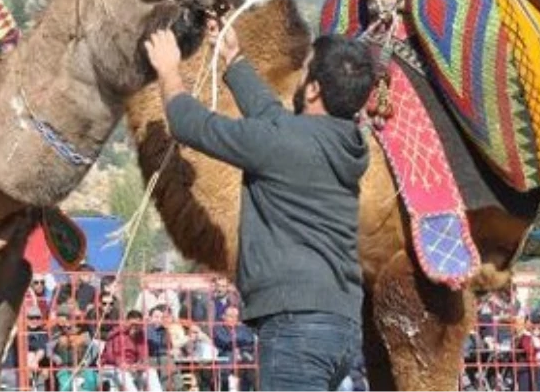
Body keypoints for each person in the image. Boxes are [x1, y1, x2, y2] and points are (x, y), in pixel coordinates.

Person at [144, 21, 374, 391]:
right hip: (339, 324)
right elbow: (274, 118)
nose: (301, 77)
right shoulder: (342, 143)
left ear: (313, 89)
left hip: (295, 327)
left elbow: (190, 123)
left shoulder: (282, 143)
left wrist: (169, 70)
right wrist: (232, 58)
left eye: (306, 70)